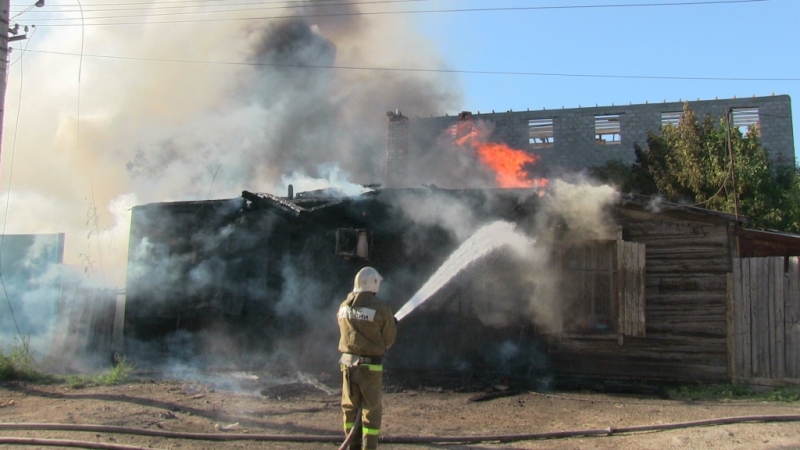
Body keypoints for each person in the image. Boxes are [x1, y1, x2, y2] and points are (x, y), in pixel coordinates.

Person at [337, 267, 397, 450]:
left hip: (347, 366)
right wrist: (393, 325)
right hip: (370, 368)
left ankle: (352, 446)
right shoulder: (381, 308)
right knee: (371, 411)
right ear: (375, 284)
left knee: (349, 408)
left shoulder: (343, 306)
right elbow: (388, 341)